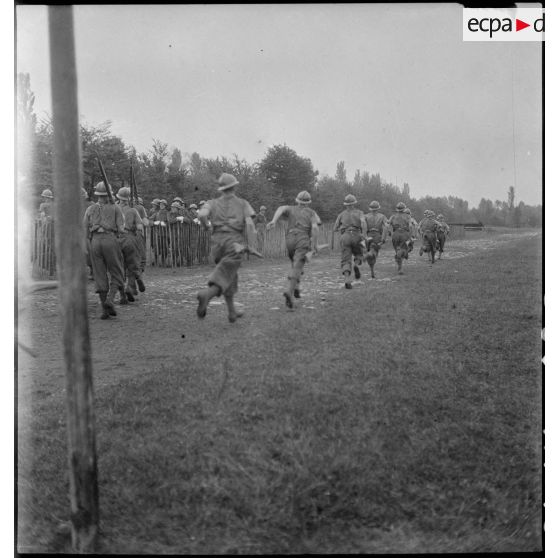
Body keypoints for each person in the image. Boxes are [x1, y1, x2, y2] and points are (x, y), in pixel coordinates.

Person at [196, 173, 256, 323]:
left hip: (217, 242)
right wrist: (251, 245)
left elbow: (202, 215)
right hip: (234, 242)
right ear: (235, 186)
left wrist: (206, 227)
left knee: (229, 273)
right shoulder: (243, 203)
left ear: (221, 189)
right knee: (226, 273)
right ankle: (208, 294)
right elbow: (249, 224)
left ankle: (232, 312)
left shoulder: (212, 203)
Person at [266, 191, 321, 308]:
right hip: (303, 239)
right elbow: (316, 228)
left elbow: (280, 208)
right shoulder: (311, 212)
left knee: (295, 264)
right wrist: (315, 244)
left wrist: (273, 221)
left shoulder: (290, 208)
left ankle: (296, 288)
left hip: (290, 239)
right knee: (298, 265)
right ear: (308, 202)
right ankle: (289, 292)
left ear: (297, 200)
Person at [83, 182, 126, 319]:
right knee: (117, 271)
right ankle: (110, 299)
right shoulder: (116, 208)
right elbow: (121, 229)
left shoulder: (90, 209)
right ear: (109, 194)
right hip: (110, 239)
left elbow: (84, 229)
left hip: (94, 242)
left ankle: (104, 310)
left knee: (99, 274)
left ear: (98, 194)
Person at [116, 187, 146, 301]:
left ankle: (122, 294)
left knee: (119, 268)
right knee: (133, 264)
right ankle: (129, 287)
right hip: (129, 238)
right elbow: (140, 227)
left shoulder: (114, 208)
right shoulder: (133, 210)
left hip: (116, 239)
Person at [333, 194, 367, 289]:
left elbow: (334, 228)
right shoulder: (360, 212)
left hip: (345, 236)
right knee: (359, 254)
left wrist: (342, 228)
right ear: (354, 203)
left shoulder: (341, 214)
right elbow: (363, 223)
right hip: (357, 235)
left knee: (345, 259)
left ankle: (347, 279)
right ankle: (356, 265)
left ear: (346, 204)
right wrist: (364, 235)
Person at [363, 200, 388, 279]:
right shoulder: (382, 216)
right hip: (377, 235)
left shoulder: (365, 216)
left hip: (368, 235)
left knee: (370, 251)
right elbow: (386, 227)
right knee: (375, 253)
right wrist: (383, 238)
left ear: (370, 208)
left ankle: (372, 271)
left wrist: (364, 236)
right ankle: (371, 253)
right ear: (378, 208)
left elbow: (362, 225)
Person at [387, 202, 412, 274]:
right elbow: (410, 226)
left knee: (397, 249)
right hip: (404, 233)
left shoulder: (393, 216)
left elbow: (388, 224)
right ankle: (400, 268)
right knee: (404, 249)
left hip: (395, 234)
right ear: (404, 209)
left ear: (397, 209)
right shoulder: (408, 216)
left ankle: (398, 260)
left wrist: (389, 232)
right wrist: (410, 234)